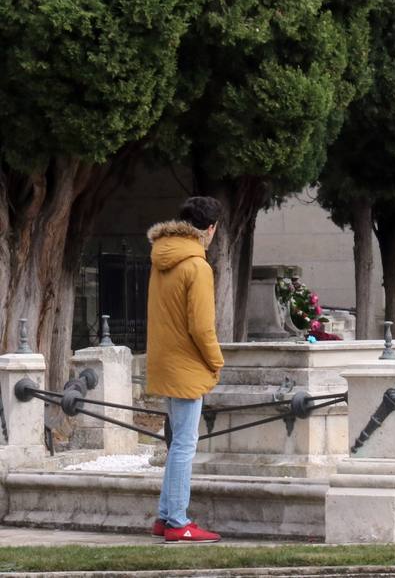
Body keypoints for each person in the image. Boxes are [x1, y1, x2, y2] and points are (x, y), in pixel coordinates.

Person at [146, 196, 226, 544]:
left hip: (165, 361)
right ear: (210, 229)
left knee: (177, 442)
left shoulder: (161, 258)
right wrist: (216, 361)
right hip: (188, 365)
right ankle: (178, 521)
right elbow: (202, 327)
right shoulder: (197, 266)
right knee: (184, 445)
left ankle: (166, 516)